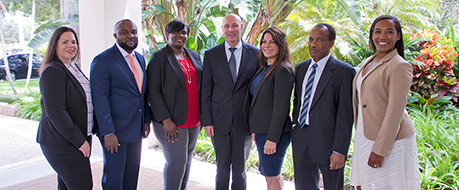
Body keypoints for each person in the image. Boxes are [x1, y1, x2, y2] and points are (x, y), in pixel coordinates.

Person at [350, 15, 420, 190]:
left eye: (389, 32)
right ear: (372, 35)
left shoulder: (399, 65)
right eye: (378, 31)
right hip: (367, 135)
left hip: (390, 140)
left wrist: (380, 150)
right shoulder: (369, 61)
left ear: (398, 36)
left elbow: (395, 112)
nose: (382, 37)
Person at [291, 23, 356, 190]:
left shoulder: (344, 72)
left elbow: (345, 115)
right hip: (301, 137)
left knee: (333, 186)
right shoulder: (302, 68)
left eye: (320, 40)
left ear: (331, 43)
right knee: (303, 185)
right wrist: (295, 126)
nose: (313, 44)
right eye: (311, 39)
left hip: (329, 142)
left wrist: (340, 150)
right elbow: (297, 101)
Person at [201, 13, 259, 190]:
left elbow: (257, 92)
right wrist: (207, 121)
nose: (230, 30)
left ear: (242, 27)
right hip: (219, 121)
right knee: (222, 168)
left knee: (240, 170)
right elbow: (206, 89)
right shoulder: (211, 54)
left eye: (234, 25)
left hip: (244, 121)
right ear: (222, 29)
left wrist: (256, 124)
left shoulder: (255, 54)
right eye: (227, 26)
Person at [90, 19, 151, 190]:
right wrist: (108, 132)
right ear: (115, 35)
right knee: (114, 179)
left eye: (134, 31)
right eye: (125, 32)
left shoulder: (139, 59)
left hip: (135, 130)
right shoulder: (103, 60)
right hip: (114, 133)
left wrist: (146, 120)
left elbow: (142, 94)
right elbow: (100, 99)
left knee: (131, 177)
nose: (130, 36)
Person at [146, 20, 202, 190]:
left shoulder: (194, 55)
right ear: (167, 34)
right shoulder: (159, 58)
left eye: (184, 32)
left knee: (187, 158)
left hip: (193, 119)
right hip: (172, 122)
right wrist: (166, 120)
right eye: (176, 32)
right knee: (177, 162)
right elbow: (153, 91)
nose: (181, 36)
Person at [37, 26, 95, 190]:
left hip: (75, 139)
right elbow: (56, 112)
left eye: (74, 42)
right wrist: (79, 141)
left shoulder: (72, 67)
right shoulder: (52, 71)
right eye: (65, 42)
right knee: (82, 185)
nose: (71, 45)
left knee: (67, 185)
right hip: (62, 142)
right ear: (54, 45)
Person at [244, 26, 294, 190]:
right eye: (264, 41)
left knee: (270, 177)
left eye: (272, 42)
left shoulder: (282, 71)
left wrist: (272, 139)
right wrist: (255, 129)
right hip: (262, 131)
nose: (267, 45)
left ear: (281, 44)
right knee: (274, 174)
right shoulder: (264, 68)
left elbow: (281, 108)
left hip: (274, 134)